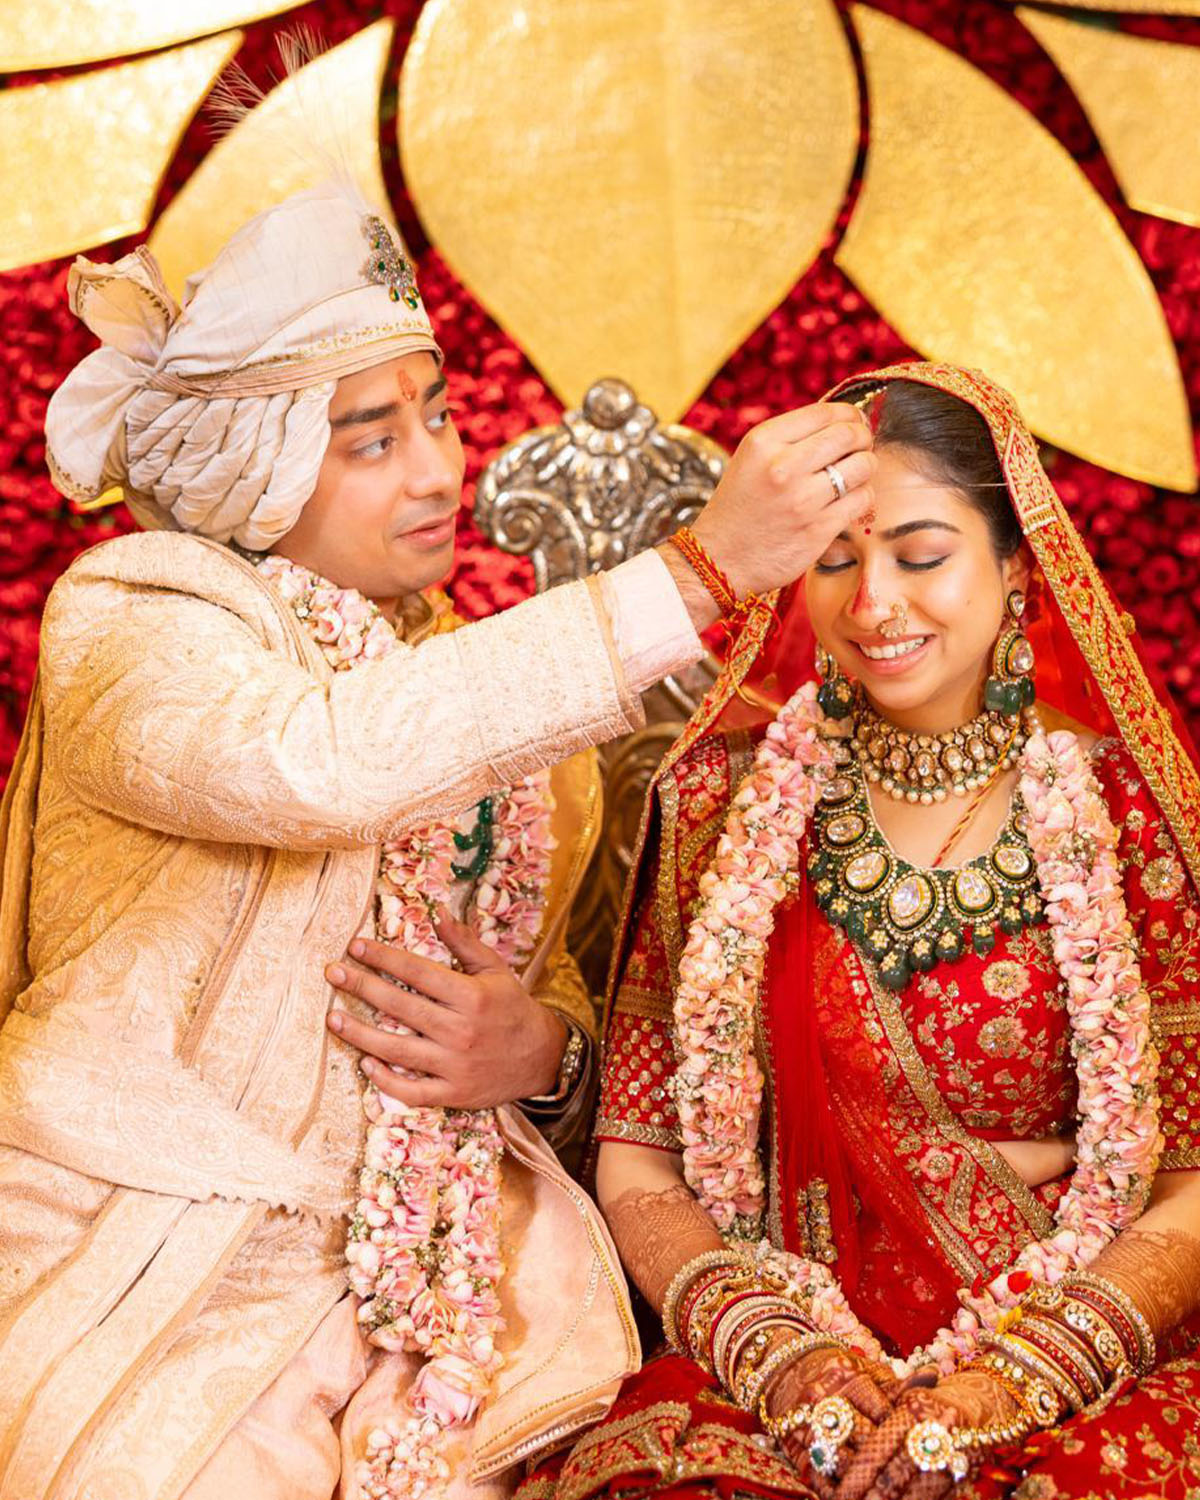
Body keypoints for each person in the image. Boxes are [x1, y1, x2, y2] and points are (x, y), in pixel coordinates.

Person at [0, 179, 875, 1500]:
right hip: (139, 1267)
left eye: (442, 413)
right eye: (372, 439)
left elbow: (557, 999)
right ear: (256, 464)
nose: (438, 468)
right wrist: (697, 571)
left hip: (446, 1307)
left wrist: (541, 1056)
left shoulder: (512, 728)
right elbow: (316, 762)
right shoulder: (134, 618)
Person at [517, 362, 1200, 1500]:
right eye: (834, 559)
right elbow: (638, 1158)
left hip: (1066, 1366)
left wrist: (1018, 1377)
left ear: (1017, 567)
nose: (874, 602)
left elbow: (1190, 1179)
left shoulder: (1129, 813)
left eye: (920, 556)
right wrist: (780, 1357)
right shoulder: (721, 803)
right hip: (783, 1366)